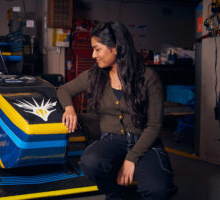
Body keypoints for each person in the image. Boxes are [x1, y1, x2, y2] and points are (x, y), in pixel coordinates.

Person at [57, 21, 174, 200]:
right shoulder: (94, 75)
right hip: (111, 140)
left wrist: (131, 159)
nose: (93, 54)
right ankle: (116, 196)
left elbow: (154, 125)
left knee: (158, 190)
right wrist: (69, 109)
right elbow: (63, 89)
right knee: (90, 162)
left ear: (116, 48)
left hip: (144, 141)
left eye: (97, 49)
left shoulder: (148, 77)